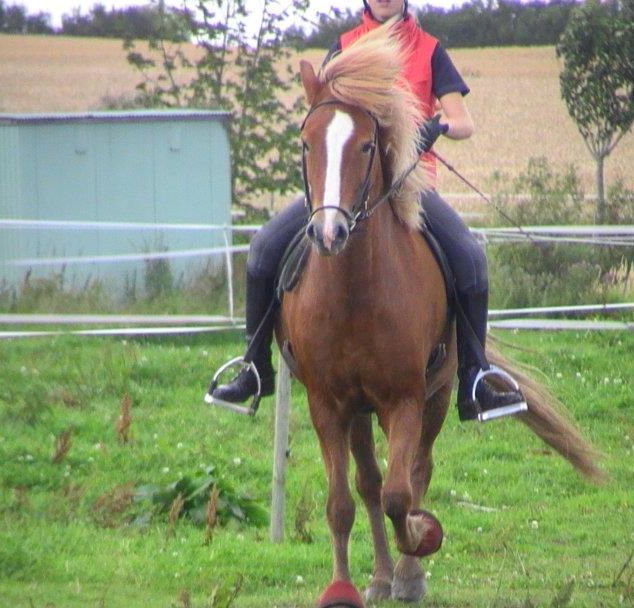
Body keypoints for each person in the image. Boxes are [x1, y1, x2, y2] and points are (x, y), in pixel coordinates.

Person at [207, 0, 526, 422]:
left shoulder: (429, 49)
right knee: (264, 248)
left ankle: (475, 376)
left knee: (469, 257)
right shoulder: (344, 47)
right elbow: (321, 112)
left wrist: (436, 127)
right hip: (342, 186)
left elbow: (462, 120)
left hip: (409, 183)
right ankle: (254, 367)